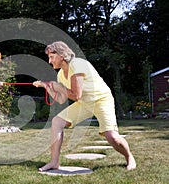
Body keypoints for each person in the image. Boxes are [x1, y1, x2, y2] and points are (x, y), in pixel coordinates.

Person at [33, 41, 136, 171]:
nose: (49, 61)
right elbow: (61, 99)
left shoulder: (77, 65)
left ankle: (129, 157)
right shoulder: (60, 74)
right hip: (84, 103)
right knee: (57, 121)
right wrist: (47, 87)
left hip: (101, 100)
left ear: (61, 55)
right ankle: (54, 162)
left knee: (112, 137)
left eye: (51, 57)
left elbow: (76, 95)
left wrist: (58, 87)